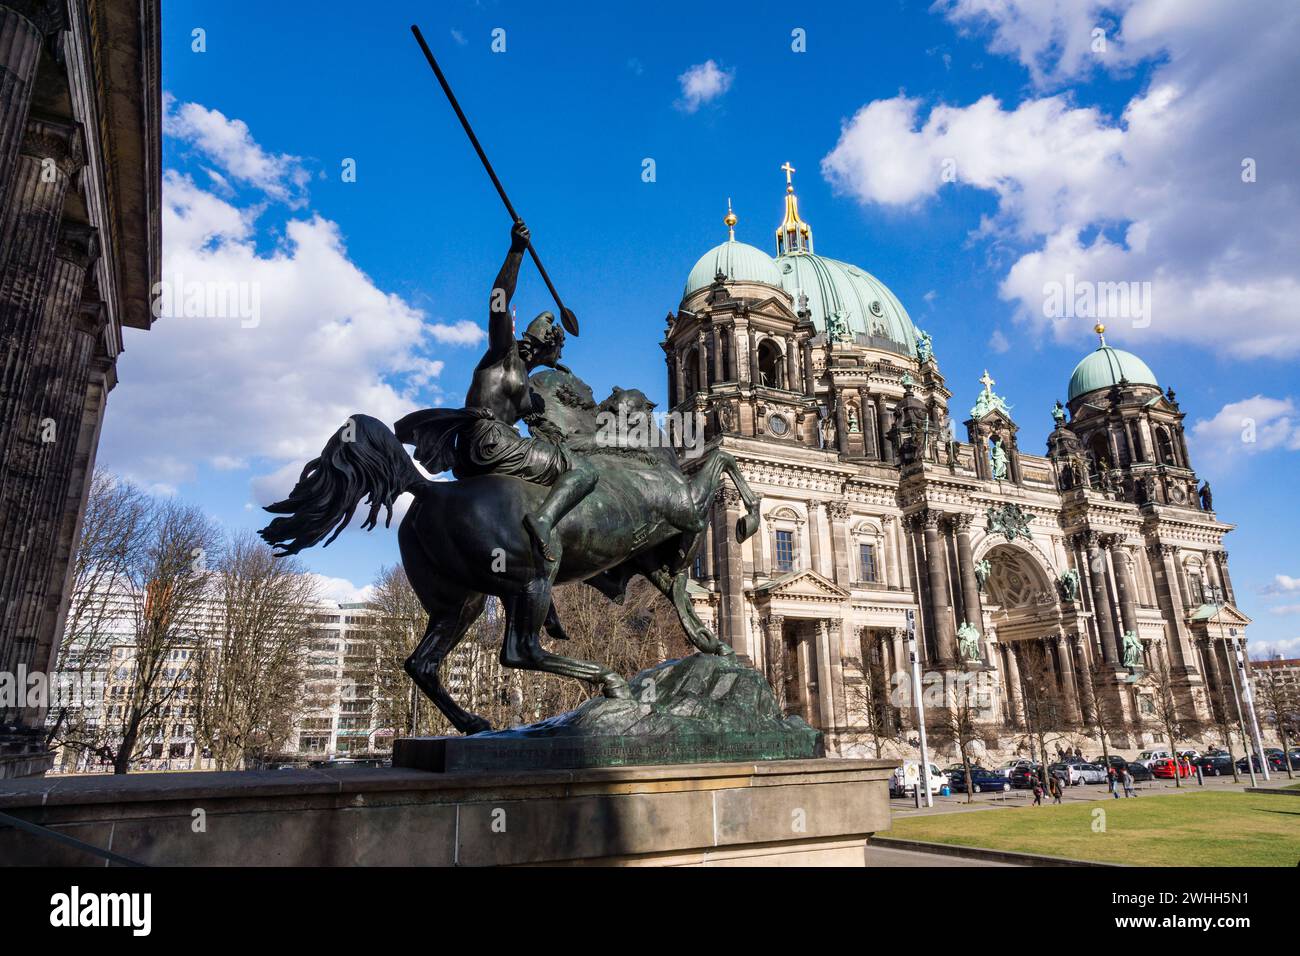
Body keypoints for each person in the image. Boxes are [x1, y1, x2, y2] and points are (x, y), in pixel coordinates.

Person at [395, 220, 597, 562]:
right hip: (491, 442)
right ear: (548, 346)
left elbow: (551, 429)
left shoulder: (529, 388)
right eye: (559, 352)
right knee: (583, 471)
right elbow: (498, 302)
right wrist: (516, 251)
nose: (561, 358)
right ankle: (543, 522)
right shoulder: (504, 353)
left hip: (479, 449)